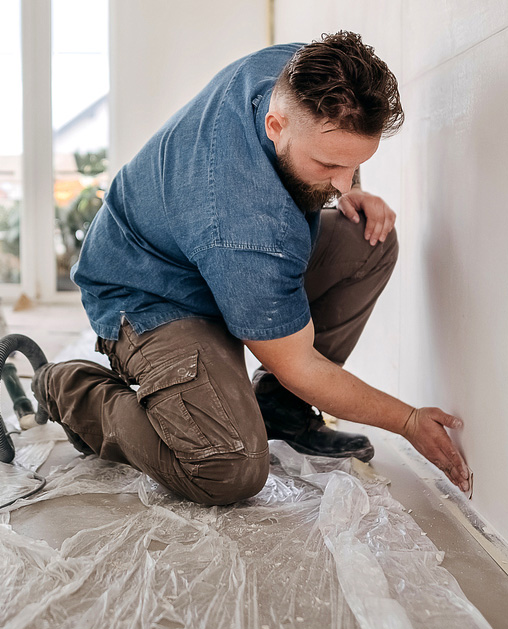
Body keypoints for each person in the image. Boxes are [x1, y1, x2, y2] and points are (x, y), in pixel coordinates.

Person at [33, 31, 471, 505]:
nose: (343, 185)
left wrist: (346, 181)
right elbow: (298, 363)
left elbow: (337, 150)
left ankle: (281, 411)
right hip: (149, 291)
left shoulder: (303, 72)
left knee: (367, 240)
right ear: (275, 126)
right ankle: (74, 389)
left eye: (355, 164)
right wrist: (406, 420)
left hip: (205, 249)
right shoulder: (245, 224)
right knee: (228, 466)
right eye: (327, 165)